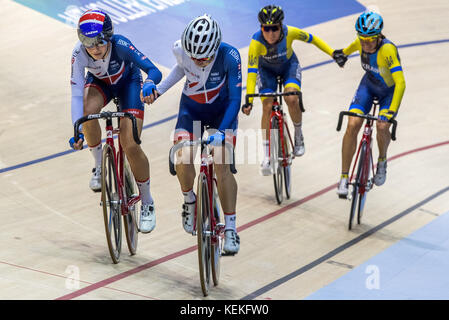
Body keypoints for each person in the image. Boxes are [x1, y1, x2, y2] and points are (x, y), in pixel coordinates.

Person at [148, 14, 242, 254]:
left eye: (205, 57)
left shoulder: (230, 57)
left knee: (221, 159)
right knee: (183, 156)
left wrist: (222, 132)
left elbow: (234, 99)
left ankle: (230, 228)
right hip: (191, 112)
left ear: (216, 46)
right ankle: (190, 201)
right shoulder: (182, 50)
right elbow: (179, 70)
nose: (199, 61)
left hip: (222, 115)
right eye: (195, 56)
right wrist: (157, 91)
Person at [68, 9, 162, 233]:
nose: (95, 49)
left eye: (100, 43)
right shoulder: (78, 54)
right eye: (89, 44)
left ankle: (147, 201)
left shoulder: (121, 45)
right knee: (87, 112)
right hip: (101, 84)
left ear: (109, 37)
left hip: (129, 83)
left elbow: (153, 69)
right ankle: (99, 165)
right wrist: (76, 130)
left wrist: (149, 83)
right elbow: (75, 94)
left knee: (130, 144)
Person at [242, 4, 338, 175]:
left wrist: (332, 53)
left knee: (291, 98)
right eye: (266, 29)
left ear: (281, 27)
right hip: (266, 72)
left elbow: (313, 39)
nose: (270, 33)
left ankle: (299, 135)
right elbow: (251, 73)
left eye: (274, 29)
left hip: (288, 67)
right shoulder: (256, 43)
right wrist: (248, 100)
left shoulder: (290, 32)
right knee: (267, 105)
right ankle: (266, 156)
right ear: (261, 28)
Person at [332, 11, 406, 197]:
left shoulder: (387, 50)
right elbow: (347, 50)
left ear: (379, 36)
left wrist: (392, 111)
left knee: (382, 127)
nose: (365, 44)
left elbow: (401, 83)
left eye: (370, 40)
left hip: (387, 94)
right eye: (362, 39)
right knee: (352, 124)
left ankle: (381, 160)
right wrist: (342, 56)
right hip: (369, 86)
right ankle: (343, 177)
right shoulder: (361, 42)